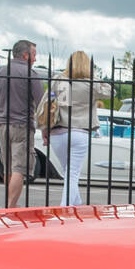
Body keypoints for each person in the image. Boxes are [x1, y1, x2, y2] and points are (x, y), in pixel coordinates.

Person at [49, 50, 112, 207]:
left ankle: (77, 204)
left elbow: (47, 101)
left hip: (58, 131)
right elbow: (111, 92)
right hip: (80, 131)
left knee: (67, 173)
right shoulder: (91, 83)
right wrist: (96, 77)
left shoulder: (58, 80)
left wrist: (44, 129)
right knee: (72, 173)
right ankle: (65, 207)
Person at [0, 39, 43, 207]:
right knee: (19, 168)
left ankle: (9, 203)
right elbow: (42, 103)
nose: (35, 59)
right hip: (21, 125)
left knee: (8, 166)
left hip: (2, 123)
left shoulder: (0, 72)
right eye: (34, 55)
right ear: (26, 55)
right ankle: (11, 207)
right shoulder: (30, 73)